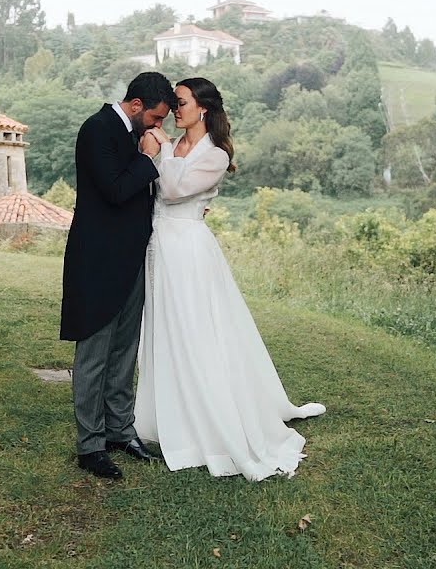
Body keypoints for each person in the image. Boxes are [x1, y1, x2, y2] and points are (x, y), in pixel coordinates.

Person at [134, 77, 325, 481]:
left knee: (197, 331)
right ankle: (168, 413)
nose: (174, 108)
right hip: (158, 245)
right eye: (172, 102)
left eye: (181, 101)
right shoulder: (170, 144)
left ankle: (212, 416)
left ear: (202, 107)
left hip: (187, 250)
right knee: (164, 331)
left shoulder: (215, 155)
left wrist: (161, 149)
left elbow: (170, 189)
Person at [60, 71, 177, 480]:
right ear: (136, 106)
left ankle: (120, 431)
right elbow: (114, 190)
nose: (159, 126)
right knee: (94, 354)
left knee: (125, 351)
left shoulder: (132, 130)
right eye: (157, 118)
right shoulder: (98, 129)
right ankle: (90, 445)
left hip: (131, 260)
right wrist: (146, 158)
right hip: (97, 260)